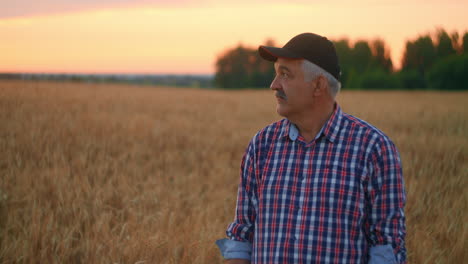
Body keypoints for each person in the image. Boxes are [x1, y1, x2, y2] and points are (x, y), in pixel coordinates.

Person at [215, 32, 406, 264]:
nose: (273, 85)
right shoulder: (262, 146)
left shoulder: (373, 149)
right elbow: (241, 239)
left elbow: (386, 249)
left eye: (285, 75)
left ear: (318, 85)